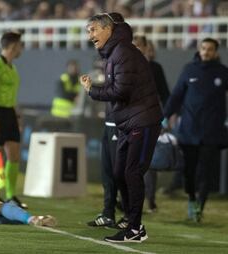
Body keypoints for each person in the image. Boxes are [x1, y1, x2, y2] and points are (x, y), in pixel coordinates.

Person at [80, 12, 163, 243]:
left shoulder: (123, 52)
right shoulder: (116, 52)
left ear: (108, 29)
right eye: (88, 31)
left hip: (143, 121)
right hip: (130, 122)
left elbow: (121, 91)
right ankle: (130, 220)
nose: (90, 36)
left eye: (93, 30)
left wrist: (92, 91)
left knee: (132, 172)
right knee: (119, 172)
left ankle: (135, 228)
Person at [163, 37, 228, 222]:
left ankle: (200, 205)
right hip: (189, 130)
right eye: (203, 48)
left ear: (216, 52)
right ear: (199, 50)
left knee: (205, 171)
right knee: (189, 171)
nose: (206, 52)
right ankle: (191, 199)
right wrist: (165, 116)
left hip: (212, 131)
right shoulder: (188, 69)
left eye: (210, 49)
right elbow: (176, 95)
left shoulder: (223, 72)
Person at [0, 31, 27, 209]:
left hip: (9, 113)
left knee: (14, 155)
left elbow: (12, 96)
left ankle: (10, 195)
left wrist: (16, 117)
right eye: (20, 45)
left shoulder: (12, 68)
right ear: (13, 46)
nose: (21, 48)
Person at [86, 58, 127, 229]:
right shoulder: (113, 67)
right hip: (109, 124)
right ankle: (108, 213)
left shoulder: (127, 68)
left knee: (122, 173)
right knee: (107, 172)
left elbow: (116, 93)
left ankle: (129, 216)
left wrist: (92, 89)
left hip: (121, 125)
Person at [133, 35, 171, 213]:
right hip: (129, 120)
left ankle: (150, 199)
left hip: (149, 118)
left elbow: (165, 94)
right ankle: (129, 200)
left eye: (140, 45)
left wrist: (165, 118)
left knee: (147, 162)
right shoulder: (124, 65)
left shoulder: (155, 68)